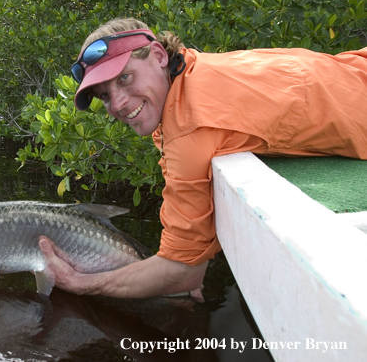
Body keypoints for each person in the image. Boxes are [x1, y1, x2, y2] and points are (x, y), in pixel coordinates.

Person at [38, 17, 367, 299]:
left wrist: (81, 284)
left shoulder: (190, 123)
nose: (119, 103)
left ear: (157, 55)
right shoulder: (192, 68)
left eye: (124, 77)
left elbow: (183, 274)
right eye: (104, 95)